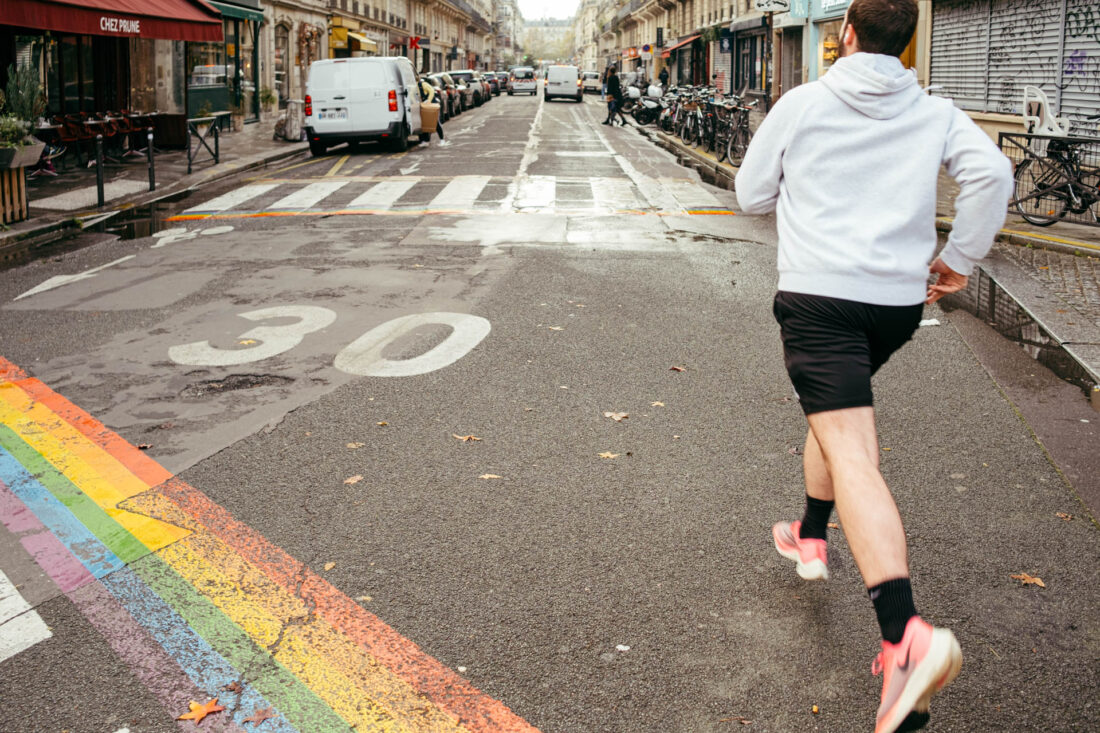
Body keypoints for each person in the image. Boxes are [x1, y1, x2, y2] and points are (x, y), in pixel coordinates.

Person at [733, 1, 1013, 731]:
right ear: (908, 42)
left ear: (845, 35)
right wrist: (957, 261)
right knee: (836, 422)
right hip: (892, 305)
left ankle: (904, 635)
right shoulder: (938, 111)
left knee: (853, 450)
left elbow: (749, 194)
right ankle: (811, 533)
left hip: (820, 298)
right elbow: (993, 177)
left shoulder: (803, 103)